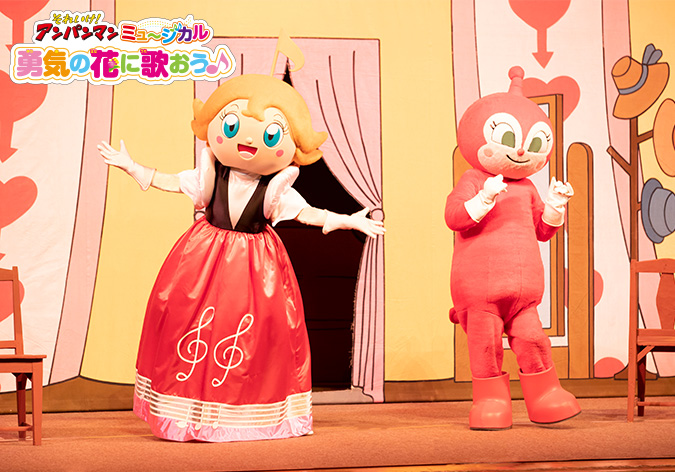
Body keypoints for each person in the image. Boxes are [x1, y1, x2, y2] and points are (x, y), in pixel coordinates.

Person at [98, 73, 384, 442]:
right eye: (233, 126)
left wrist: (347, 220)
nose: (248, 140)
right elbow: (173, 181)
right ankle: (189, 412)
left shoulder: (274, 190)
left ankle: (240, 415)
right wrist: (133, 167)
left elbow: (307, 213)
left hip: (254, 265)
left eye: (270, 135)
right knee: (191, 322)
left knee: (249, 333)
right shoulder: (210, 175)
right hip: (203, 258)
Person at [445, 66, 580, 430]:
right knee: (485, 345)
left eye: (534, 145)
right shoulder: (473, 179)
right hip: (479, 291)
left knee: (533, 339)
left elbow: (542, 231)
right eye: (509, 137)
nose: (522, 150)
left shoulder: (528, 188)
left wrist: (555, 205)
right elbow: (454, 216)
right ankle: (490, 401)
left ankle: (545, 396)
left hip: (523, 294)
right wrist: (484, 198)